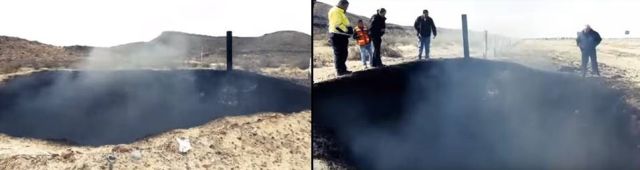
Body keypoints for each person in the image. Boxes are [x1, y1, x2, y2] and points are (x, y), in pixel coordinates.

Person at [328, 0, 354, 76]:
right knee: (339, 54)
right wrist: (347, 31)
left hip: (341, 35)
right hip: (337, 35)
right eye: (346, 6)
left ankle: (343, 69)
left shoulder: (339, 11)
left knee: (343, 53)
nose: (347, 8)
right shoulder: (336, 11)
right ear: (342, 4)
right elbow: (338, 25)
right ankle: (340, 71)